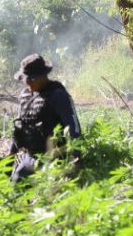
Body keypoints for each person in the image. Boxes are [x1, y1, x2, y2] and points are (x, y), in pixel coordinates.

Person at [10, 54, 81, 182]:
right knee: (14, 185)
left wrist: (75, 159)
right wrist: (9, 160)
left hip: (53, 159)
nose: (28, 84)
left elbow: (73, 130)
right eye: (26, 81)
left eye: (31, 80)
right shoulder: (24, 95)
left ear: (42, 77)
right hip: (29, 158)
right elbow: (18, 128)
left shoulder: (58, 95)